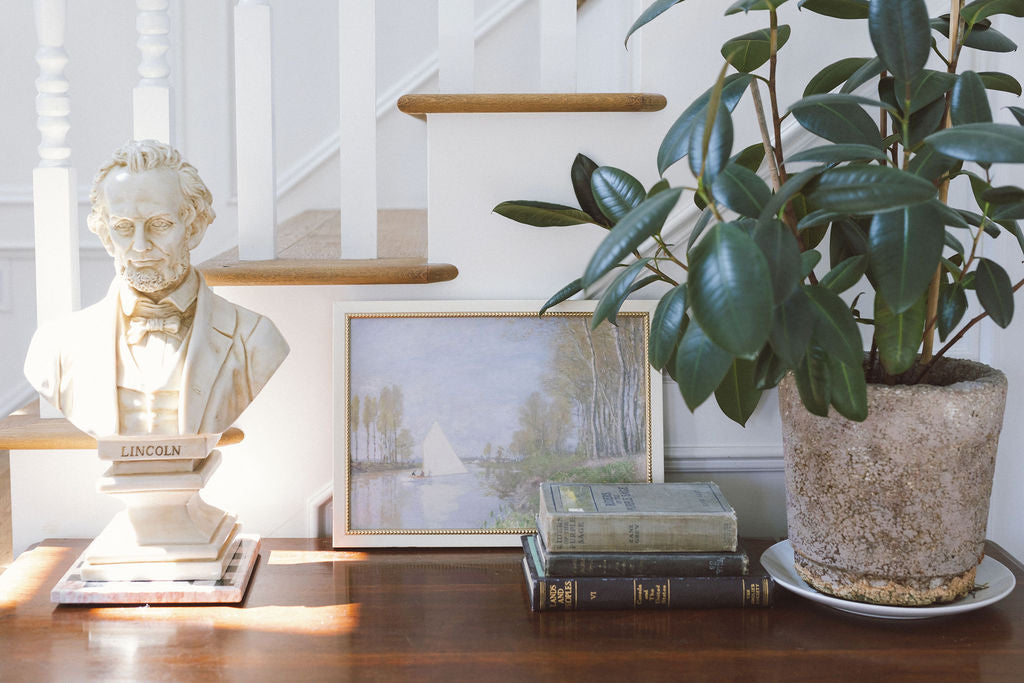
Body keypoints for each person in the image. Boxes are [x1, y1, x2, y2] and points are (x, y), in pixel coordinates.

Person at [24, 140, 289, 437]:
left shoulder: (255, 340)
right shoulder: (56, 347)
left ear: (194, 227)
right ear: (105, 235)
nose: (140, 246)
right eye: (123, 227)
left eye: (159, 224)